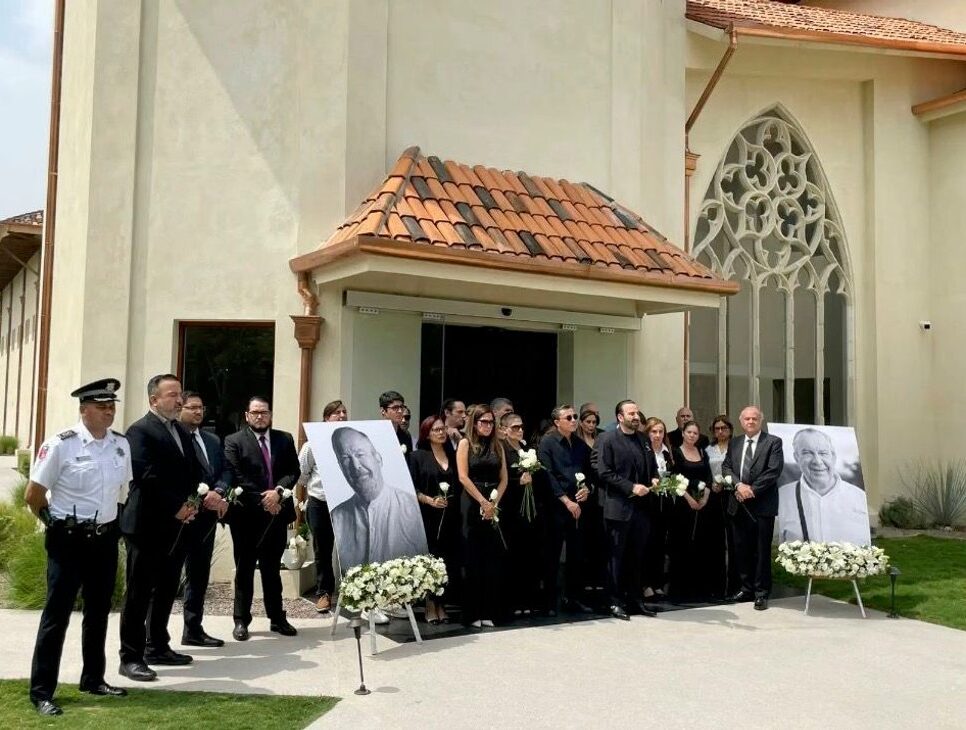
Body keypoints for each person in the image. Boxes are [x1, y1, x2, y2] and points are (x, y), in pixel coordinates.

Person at [24, 378, 132, 716]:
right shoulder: (61, 444)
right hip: (68, 541)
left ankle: (93, 679)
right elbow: (33, 494)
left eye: (111, 406)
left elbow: (122, 491)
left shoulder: (120, 445)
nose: (108, 412)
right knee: (56, 616)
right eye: (101, 407)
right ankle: (42, 691)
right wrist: (54, 524)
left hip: (104, 539)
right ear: (84, 409)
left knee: (98, 612)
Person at [119, 374, 201, 681]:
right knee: (139, 593)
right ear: (154, 400)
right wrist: (175, 506)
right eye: (172, 395)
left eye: (180, 394)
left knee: (167, 588)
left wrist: (192, 502)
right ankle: (131, 657)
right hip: (146, 525)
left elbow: (193, 472)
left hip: (176, 527)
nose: (179, 400)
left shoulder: (180, 430)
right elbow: (144, 475)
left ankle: (157, 646)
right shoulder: (139, 431)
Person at [224, 396, 300, 640]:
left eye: (264, 412)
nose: (260, 416)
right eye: (255, 412)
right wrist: (264, 499)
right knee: (244, 569)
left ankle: (277, 618)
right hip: (246, 516)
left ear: (270, 415)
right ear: (247, 415)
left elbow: (293, 470)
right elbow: (235, 474)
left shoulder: (284, 439)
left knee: (272, 569)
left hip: (277, 515)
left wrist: (277, 492)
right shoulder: (234, 441)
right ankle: (241, 620)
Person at [592, 399, 657, 619]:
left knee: (637, 556)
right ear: (620, 417)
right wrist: (631, 487)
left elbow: (652, 467)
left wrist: (654, 479)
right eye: (631, 414)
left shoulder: (643, 439)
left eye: (637, 413)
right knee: (615, 557)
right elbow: (604, 472)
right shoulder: (607, 439)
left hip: (642, 509)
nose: (636, 417)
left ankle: (635, 600)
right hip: (618, 507)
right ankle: (613, 601)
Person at [329, 426, 428, 568]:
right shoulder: (337, 517)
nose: (355, 466)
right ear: (341, 468)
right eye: (345, 458)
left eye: (360, 454)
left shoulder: (411, 508)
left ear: (378, 459)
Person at [178, 391, 232, 648]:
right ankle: (154, 639)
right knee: (166, 578)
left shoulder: (211, 439)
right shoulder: (174, 438)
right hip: (180, 517)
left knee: (199, 575)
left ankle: (193, 629)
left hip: (206, 519)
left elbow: (225, 470)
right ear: (180, 408)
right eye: (191, 407)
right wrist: (200, 495)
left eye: (201, 407)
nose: (198, 412)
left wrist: (219, 492)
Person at [721, 405, 784, 611]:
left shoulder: (773, 442)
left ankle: (761, 593)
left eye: (754, 418)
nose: (750, 422)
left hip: (762, 506)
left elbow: (773, 471)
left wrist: (751, 490)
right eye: (746, 419)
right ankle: (745, 588)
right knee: (741, 550)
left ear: (760, 420)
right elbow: (726, 467)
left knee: (761, 551)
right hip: (738, 504)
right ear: (741, 421)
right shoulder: (735, 443)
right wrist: (738, 485)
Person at [537, 405, 593, 615]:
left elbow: (589, 472)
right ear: (557, 422)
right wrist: (566, 500)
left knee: (577, 554)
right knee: (552, 554)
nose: (573, 420)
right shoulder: (547, 442)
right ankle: (549, 601)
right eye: (568, 417)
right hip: (556, 506)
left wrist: (587, 489)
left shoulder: (580, 444)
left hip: (578, 504)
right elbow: (547, 474)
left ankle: (574, 598)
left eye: (575, 416)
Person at [456, 406, 508, 628]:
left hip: (493, 500)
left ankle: (490, 610)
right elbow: (463, 476)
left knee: (492, 559)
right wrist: (482, 502)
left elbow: (504, 478)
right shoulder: (465, 443)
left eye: (490, 422)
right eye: (483, 421)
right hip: (472, 500)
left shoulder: (498, 445)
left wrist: (493, 504)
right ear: (475, 423)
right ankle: (472, 612)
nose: (488, 426)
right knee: (473, 558)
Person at [296, 399, 347, 615]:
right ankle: (324, 593)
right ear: (326, 418)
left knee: (348, 549)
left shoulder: (348, 442)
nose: (342, 416)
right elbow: (301, 475)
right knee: (322, 550)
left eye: (344, 412)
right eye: (337, 413)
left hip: (345, 504)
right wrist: (320, 487)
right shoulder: (311, 446)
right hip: (320, 503)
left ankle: (353, 592)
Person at [778, 428, 871, 545]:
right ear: (797, 458)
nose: (817, 461)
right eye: (807, 453)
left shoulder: (859, 497)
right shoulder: (782, 496)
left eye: (823, 453)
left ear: (833, 457)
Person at [410, 415, 460, 624]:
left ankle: (442, 603)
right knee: (430, 560)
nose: (441, 433)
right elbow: (412, 488)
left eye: (442, 429)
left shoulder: (453, 455)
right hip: (428, 516)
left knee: (448, 560)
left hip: (451, 515)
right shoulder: (417, 456)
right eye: (436, 430)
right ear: (427, 433)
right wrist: (430, 500)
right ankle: (430, 604)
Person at [668, 420, 724, 601]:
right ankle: (681, 590)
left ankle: (701, 589)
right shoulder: (676, 452)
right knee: (682, 545)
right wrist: (689, 499)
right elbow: (674, 478)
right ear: (683, 433)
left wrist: (705, 498)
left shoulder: (701, 452)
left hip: (703, 505)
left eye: (695, 433)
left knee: (702, 546)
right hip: (683, 505)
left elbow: (708, 477)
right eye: (689, 432)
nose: (692, 435)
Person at [500, 412, 543, 616]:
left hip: (529, 508)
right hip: (511, 507)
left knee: (529, 554)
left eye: (521, 427)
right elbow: (501, 479)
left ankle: (529, 598)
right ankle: (513, 600)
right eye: (515, 427)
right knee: (513, 554)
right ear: (504, 429)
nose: (519, 430)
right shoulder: (502, 450)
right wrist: (519, 481)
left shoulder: (527, 450)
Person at [707, 415, 740, 595]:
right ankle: (716, 582)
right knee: (716, 538)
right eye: (717, 429)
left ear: (730, 430)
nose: (720, 431)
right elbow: (705, 470)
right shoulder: (708, 449)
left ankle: (735, 582)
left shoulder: (736, 447)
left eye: (724, 428)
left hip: (732, 494)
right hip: (713, 496)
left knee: (734, 539)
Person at [575, 405, 606, 594]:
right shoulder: (577, 441)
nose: (591, 425)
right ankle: (584, 579)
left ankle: (597, 578)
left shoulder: (600, 438)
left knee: (598, 535)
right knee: (584, 536)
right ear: (581, 422)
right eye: (588, 422)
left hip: (598, 488)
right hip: (582, 489)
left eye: (594, 422)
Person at [642, 417, 673, 600]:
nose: (658, 435)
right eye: (654, 431)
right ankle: (645, 584)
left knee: (660, 544)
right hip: (648, 503)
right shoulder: (644, 451)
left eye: (661, 431)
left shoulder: (667, 452)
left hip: (664, 502)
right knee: (647, 544)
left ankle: (657, 583)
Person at [380, 390, 413, 455]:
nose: (400, 411)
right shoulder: (377, 433)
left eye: (401, 407)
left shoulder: (406, 435)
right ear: (383, 411)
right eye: (395, 408)